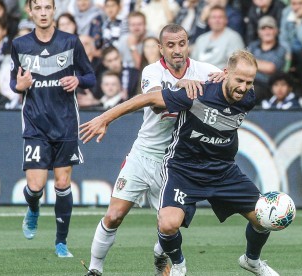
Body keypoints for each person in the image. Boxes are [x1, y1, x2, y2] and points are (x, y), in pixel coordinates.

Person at [80, 50, 280, 276]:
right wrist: (104, 118)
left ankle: (251, 260)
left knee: (264, 219)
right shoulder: (197, 92)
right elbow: (148, 99)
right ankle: (178, 264)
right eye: (239, 80)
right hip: (185, 169)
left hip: (223, 170)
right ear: (225, 74)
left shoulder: (249, 97)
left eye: (249, 82)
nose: (244, 87)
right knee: (167, 224)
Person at [82, 24, 223, 276]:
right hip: (143, 154)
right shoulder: (152, 71)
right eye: (170, 45)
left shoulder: (206, 71)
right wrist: (185, 86)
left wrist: (226, 77)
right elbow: (157, 103)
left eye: (181, 44)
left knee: (169, 226)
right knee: (114, 215)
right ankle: (95, 269)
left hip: (176, 164)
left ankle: (160, 254)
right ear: (161, 48)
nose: (177, 50)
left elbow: (231, 81)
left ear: (187, 44)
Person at [9, 0, 96, 258]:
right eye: (39, 8)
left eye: (48, 7)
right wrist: (20, 85)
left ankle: (61, 243)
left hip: (66, 123)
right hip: (36, 124)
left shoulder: (70, 42)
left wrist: (78, 79)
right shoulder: (20, 45)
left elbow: (91, 77)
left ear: (54, 10)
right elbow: (13, 83)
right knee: (35, 186)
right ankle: (33, 208)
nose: (44, 13)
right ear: (30, 11)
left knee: (62, 182)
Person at [248, 15, 286, 104]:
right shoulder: (253, 46)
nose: (267, 31)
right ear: (259, 32)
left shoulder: (281, 49)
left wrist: (249, 61)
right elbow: (241, 61)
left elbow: (271, 68)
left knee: (252, 92)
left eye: (270, 28)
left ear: (276, 31)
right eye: (263, 28)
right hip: (249, 81)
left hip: (268, 85)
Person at [192, 6, 244, 70]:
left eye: (220, 17)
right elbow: (193, 63)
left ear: (226, 20)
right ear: (209, 21)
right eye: (213, 17)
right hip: (198, 77)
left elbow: (236, 64)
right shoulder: (201, 39)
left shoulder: (234, 37)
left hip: (221, 77)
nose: (217, 20)